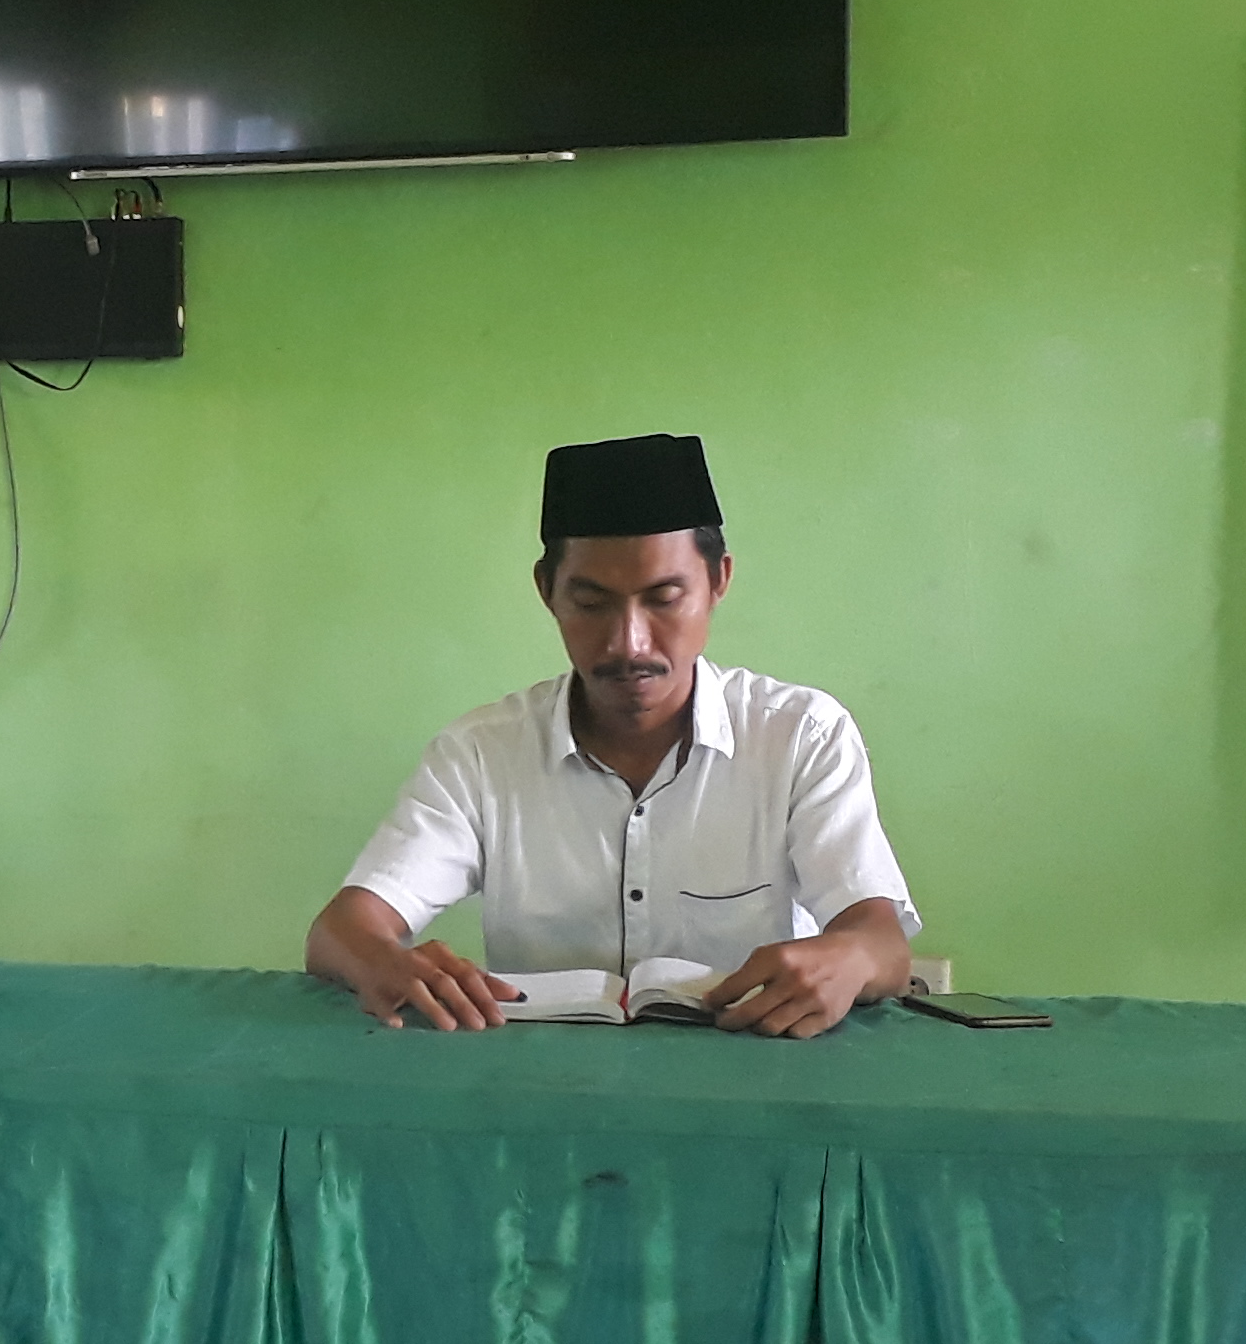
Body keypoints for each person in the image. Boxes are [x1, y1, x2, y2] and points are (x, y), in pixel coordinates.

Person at [303, 432, 917, 1036]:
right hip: (545, 1095)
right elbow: (341, 929)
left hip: (754, 1092)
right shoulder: (481, 754)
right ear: (547, 591)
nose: (630, 643)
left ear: (718, 581)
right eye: (592, 603)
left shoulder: (800, 736)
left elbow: (880, 941)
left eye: (664, 599)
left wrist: (851, 960)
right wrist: (384, 962)